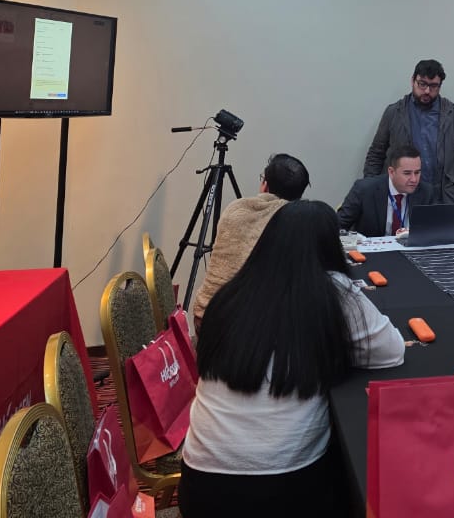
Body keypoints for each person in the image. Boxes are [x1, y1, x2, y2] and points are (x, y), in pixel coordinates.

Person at [179, 201, 404, 516]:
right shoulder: (334, 291)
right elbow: (392, 350)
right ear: (331, 248)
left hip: (200, 487)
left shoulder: (231, 293)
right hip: (285, 489)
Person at [192, 153, 310, 326]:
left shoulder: (236, 207)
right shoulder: (295, 222)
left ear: (265, 185)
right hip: (247, 328)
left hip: (204, 316)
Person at [363, 59, 454, 204]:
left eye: (433, 86)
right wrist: (372, 192)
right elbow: (376, 154)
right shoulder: (394, 113)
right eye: (422, 84)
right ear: (413, 81)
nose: (427, 91)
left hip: (445, 197)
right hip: (402, 197)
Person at [338, 145, 435, 237]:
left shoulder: (426, 192)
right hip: (372, 248)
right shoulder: (364, 190)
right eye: (407, 173)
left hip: (409, 247)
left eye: (417, 172)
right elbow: (338, 226)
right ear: (391, 172)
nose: (414, 179)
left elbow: (434, 229)